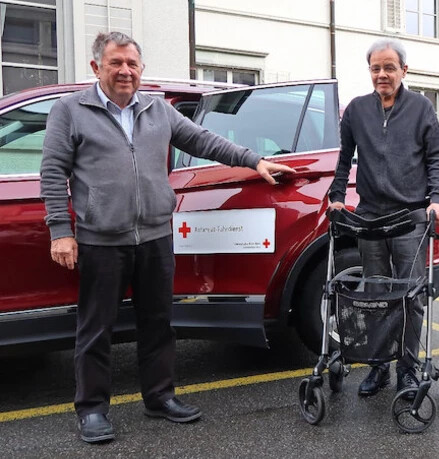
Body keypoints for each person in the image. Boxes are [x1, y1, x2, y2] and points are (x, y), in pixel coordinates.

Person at [40, 32, 295, 443]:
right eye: (115, 63)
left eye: (132, 64)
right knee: (96, 327)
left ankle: (159, 397)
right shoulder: (70, 111)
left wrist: (254, 160)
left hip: (155, 235)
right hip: (101, 239)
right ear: (96, 68)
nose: (125, 71)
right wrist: (60, 232)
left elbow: (204, 140)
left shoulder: (157, 111)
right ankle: (91, 409)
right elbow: (52, 172)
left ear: (141, 69)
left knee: (158, 323)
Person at [328, 38, 439, 398]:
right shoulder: (357, 110)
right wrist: (336, 197)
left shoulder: (422, 108)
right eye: (376, 68)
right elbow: (344, 156)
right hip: (370, 218)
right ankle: (379, 367)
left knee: (410, 294)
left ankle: (408, 370)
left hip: (410, 216)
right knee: (376, 294)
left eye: (389, 68)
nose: (382, 74)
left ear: (403, 71)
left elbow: (437, 158)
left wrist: (437, 198)